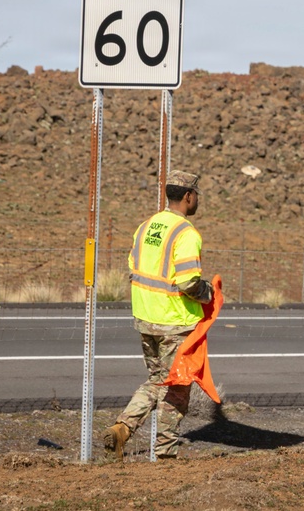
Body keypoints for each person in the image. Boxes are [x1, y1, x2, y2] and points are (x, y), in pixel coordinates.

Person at [102, 170, 214, 460]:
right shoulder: (186, 233)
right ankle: (165, 455)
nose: (197, 199)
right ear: (189, 197)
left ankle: (122, 430)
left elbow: (134, 269)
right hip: (174, 323)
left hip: (145, 318)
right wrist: (208, 293)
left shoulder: (146, 226)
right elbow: (189, 282)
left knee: (155, 381)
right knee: (176, 388)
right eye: (197, 195)